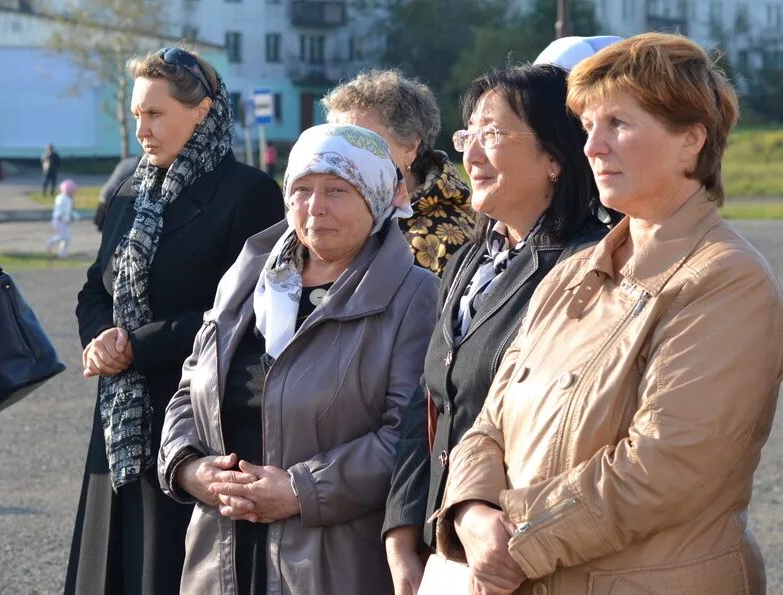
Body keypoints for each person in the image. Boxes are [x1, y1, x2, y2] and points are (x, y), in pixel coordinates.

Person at [431, 33, 783, 594]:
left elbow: (667, 464)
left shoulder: (725, 279)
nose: (592, 146)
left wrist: (516, 538)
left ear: (690, 140)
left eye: (617, 124)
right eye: (588, 126)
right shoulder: (573, 273)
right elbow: (488, 421)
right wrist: (470, 512)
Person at [158, 123, 439, 595]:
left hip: (329, 562)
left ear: (373, 197)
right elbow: (191, 391)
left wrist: (299, 490)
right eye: (302, 190)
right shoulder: (249, 278)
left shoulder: (412, 295)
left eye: (336, 190)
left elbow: (408, 437)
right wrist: (189, 469)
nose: (315, 207)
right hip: (222, 553)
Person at [382, 54, 615, 595]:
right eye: (470, 134)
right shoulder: (469, 258)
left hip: (520, 548)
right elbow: (431, 399)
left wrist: (487, 524)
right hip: (447, 540)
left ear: (555, 156)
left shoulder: (587, 265)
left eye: (495, 133)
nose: (473, 153)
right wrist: (402, 532)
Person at [65, 47, 284, 595]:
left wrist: (136, 344)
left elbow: (243, 309)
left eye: (155, 114)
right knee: (112, 566)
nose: (141, 129)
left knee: (166, 567)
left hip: (194, 414)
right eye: (137, 114)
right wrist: (101, 340)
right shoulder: (130, 191)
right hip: (121, 414)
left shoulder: (249, 194)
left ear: (203, 111)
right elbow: (96, 285)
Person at [323, 69, 473, 275]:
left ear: (410, 146)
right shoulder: (321, 213)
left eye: (362, 142)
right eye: (336, 143)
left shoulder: (446, 240)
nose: (344, 158)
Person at [94, 155, 140, 232]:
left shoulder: (127, 162)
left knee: (108, 233)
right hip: (114, 199)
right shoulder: (136, 167)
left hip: (105, 194)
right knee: (113, 232)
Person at [47, 178, 80, 257]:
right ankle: (50, 242)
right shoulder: (64, 199)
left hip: (62, 220)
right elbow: (66, 211)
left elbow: (70, 210)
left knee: (66, 237)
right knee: (64, 236)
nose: (73, 193)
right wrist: (69, 218)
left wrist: (75, 216)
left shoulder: (65, 198)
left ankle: (62, 253)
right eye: (72, 191)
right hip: (60, 220)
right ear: (68, 190)